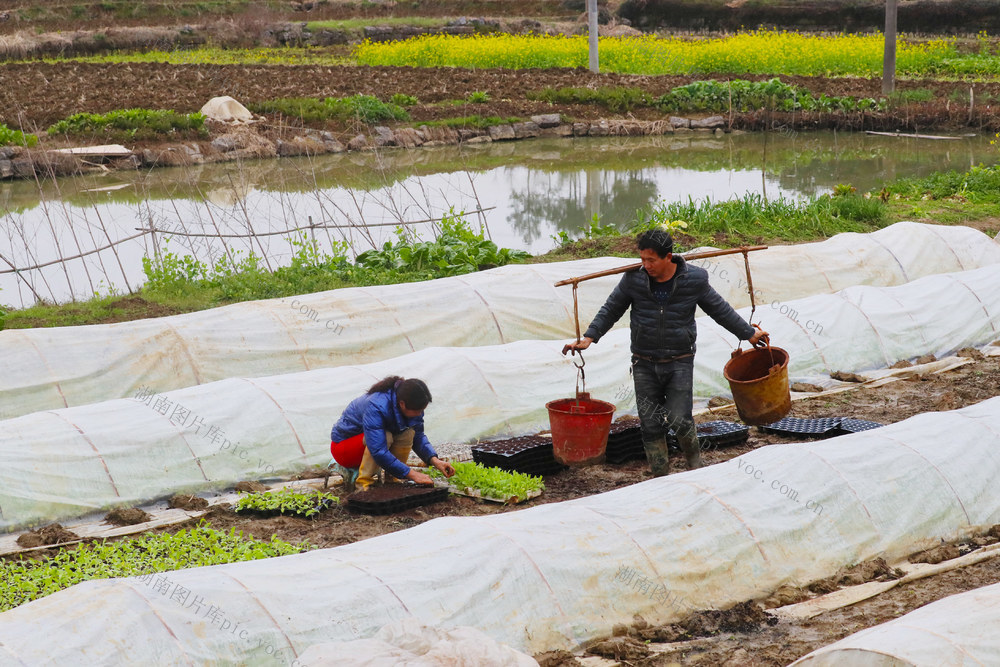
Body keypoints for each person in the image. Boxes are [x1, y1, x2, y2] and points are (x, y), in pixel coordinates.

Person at [562, 228, 768, 476]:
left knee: (680, 420)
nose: (645, 265)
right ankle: (659, 474)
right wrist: (589, 337)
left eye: (651, 260)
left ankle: (695, 467)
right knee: (650, 424)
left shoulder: (694, 280)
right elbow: (611, 309)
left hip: (679, 361)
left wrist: (748, 333)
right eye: (642, 259)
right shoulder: (633, 280)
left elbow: (720, 310)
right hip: (643, 362)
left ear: (668, 257)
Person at [330, 376, 455, 491]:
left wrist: (435, 461)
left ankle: (393, 480)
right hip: (343, 448)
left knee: (408, 433)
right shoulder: (376, 405)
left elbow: (418, 436)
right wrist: (412, 474)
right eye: (417, 410)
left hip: (368, 446)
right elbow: (378, 449)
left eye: (422, 410)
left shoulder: (408, 405)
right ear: (402, 404)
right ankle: (364, 486)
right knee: (385, 436)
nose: (420, 414)